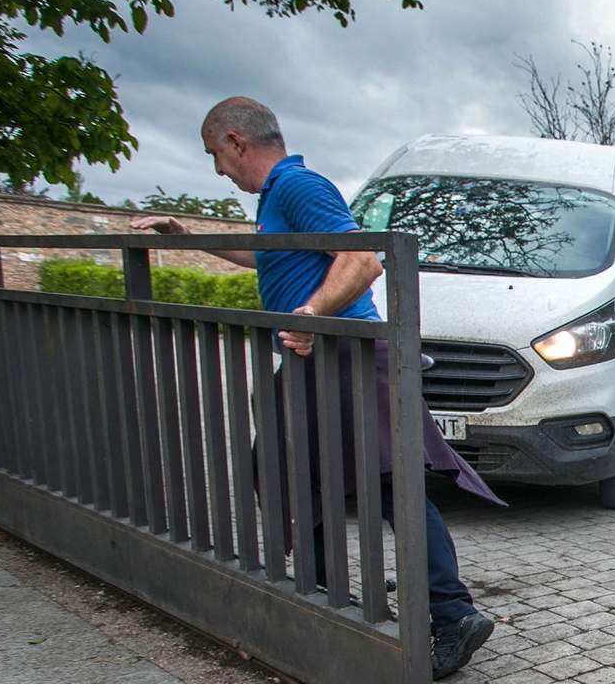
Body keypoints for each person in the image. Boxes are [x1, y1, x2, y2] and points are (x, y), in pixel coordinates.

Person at [131, 96, 497, 679]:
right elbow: (265, 257)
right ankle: (334, 598)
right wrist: (190, 234)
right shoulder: (278, 198)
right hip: (322, 357)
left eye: (216, 157)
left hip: (346, 353)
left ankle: (449, 615)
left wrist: (307, 314)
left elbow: (362, 261)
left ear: (236, 141)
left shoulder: (299, 186)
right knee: (293, 472)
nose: (218, 171)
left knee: (382, 486)